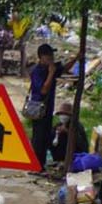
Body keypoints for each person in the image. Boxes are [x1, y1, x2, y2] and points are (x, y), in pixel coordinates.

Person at [29, 44, 65, 172]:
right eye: (48, 55)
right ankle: (35, 165)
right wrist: (51, 74)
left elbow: (64, 69)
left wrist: (77, 58)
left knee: (45, 137)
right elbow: (43, 90)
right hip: (38, 109)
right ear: (41, 57)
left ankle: (41, 164)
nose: (51, 58)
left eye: (52, 55)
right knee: (38, 138)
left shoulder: (52, 68)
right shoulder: (37, 71)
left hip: (48, 109)